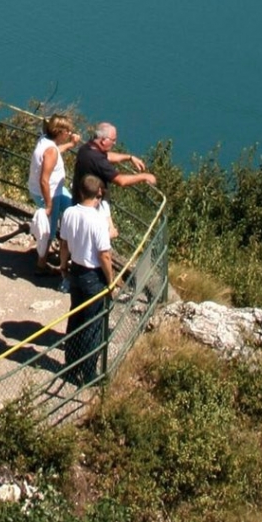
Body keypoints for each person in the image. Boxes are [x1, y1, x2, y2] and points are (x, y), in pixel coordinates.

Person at [59, 172, 112, 385]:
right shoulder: (98, 220)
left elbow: (63, 244)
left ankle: (71, 368)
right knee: (93, 326)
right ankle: (89, 374)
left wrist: (63, 267)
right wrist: (111, 281)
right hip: (94, 275)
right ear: (98, 193)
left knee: (75, 320)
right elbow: (104, 255)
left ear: (80, 192)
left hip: (76, 271)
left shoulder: (69, 213)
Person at [27, 116, 78, 274]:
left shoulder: (46, 141)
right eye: (67, 131)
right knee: (50, 227)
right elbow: (44, 180)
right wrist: (49, 204)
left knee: (72, 208)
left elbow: (55, 151)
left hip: (54, 189)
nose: (70, 133)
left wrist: (71, 144)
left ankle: (67, 248)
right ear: (60, 132)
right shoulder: (50, 150)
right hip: (49, 193)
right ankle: (41, 264)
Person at [72, 122, 157, 198]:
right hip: (93, 202)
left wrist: (129, 157)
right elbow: (121, 180)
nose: (115, 143)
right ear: (104, 141)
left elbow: (107, 156)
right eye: (113, 140)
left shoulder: (87, 148)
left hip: (80, 195)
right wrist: (144, 176)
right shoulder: (98, 160)